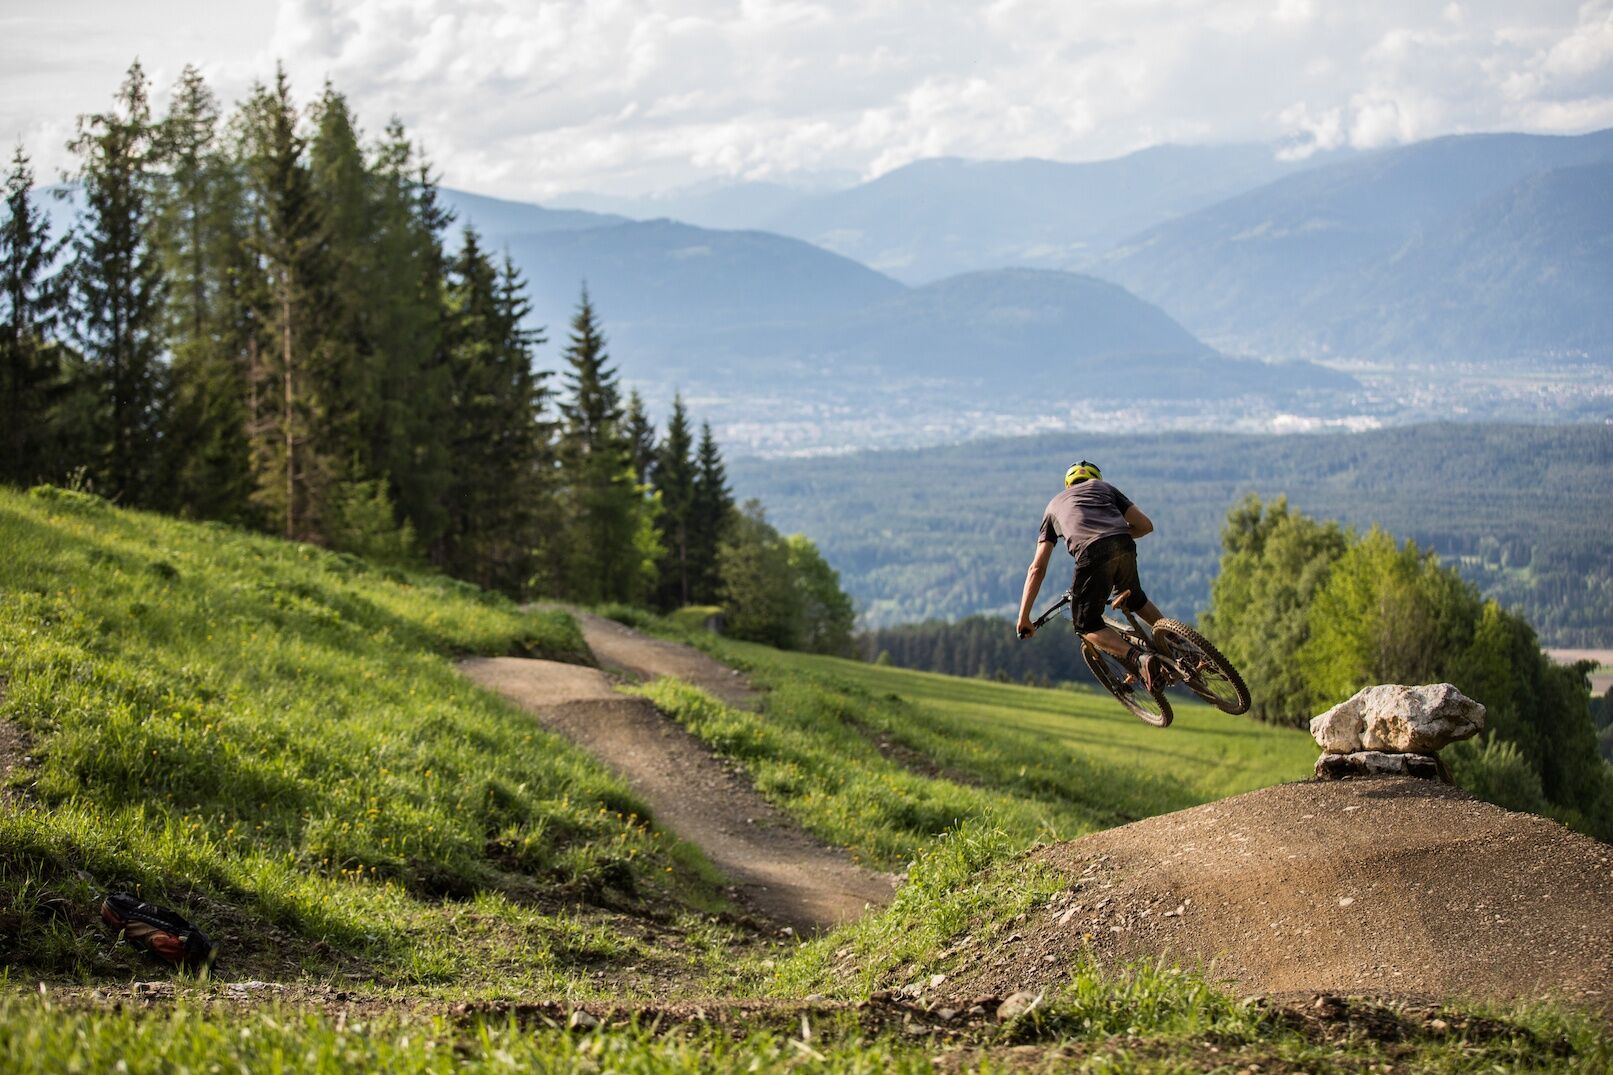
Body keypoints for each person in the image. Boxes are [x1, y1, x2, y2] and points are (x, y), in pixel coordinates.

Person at [1014, 460, 1166, 690]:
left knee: (1086, 625)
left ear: (1068, 485)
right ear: (1095, 478)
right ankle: (1181, 646)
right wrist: (1115, 534)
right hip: (1124, 543)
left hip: (1091, 554)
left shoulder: (1054, 506)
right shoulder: (1104, 488)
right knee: (1136, 599)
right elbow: (1145, 526)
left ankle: (1140, 659)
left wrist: (1024, 616)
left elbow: (1037, 568)